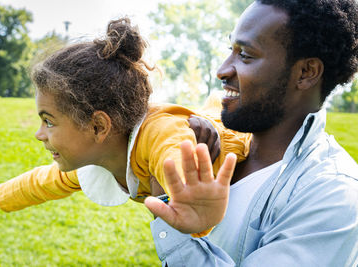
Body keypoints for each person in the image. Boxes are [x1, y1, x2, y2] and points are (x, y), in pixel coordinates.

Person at [0, 18, 249, 238]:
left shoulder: (158, 133)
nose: (39, 134)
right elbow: (44, 182)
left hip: (243, 135)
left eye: (49, 121)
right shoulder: (98, 159)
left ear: (99, 126)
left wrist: (181, 196)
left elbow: (173, 154)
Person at [145, 0, 358, 266]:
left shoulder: (332, 194)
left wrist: (178, 235)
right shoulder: (212, 149)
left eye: (245, 55)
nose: (222, 70)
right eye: (230, 50)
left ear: (306, 72)